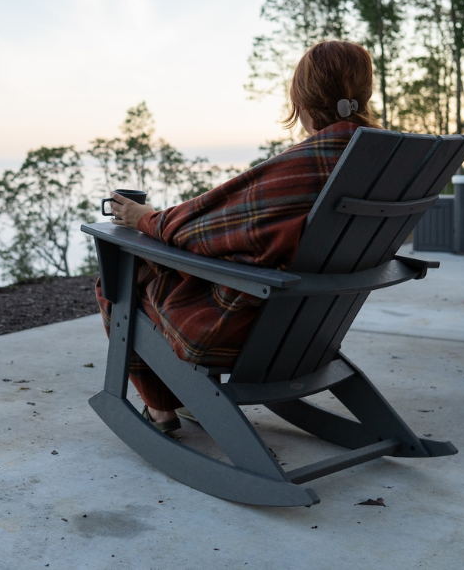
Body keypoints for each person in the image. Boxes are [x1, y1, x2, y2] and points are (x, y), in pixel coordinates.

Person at [96, 39, 381, 434]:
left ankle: (161, 410)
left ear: (301, 99)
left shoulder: (311, 163)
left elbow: (205, 225)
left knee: (119, 279)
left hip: (241, 329)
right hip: (309, 332)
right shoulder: (378, 162)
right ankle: (190, 398)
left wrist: (145, 219)